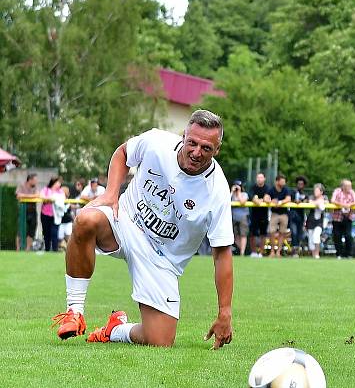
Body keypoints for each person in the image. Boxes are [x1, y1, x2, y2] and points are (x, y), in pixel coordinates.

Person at [49, 109, 234, 349]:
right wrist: (111, 193)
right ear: (184, 136)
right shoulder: (157, 142)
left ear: (216, 150)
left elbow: (222, 253)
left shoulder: (217, 190)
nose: (197, 152)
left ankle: (115, 329)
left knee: (160, 341)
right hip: (124, 220)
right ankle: (74, 311)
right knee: (86, 219)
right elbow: (123, 153)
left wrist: (225, 313)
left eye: (206, 148)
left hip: (162, 260)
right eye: (192, 143)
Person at [331, 178, 355, 259]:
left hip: (348, 217)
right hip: (337, 217)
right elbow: (332, 200)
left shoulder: (352, 192)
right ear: (343, 186)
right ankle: (338, 254)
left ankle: (348, 254)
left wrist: (349, 205)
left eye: (350, 186)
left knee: (348, 235)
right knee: (337, 235)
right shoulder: (337, 191)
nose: (349, 187)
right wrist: (342, 204)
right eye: (347, 186)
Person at [266, 173, 291, 257]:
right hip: (274, 213)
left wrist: (280, 202)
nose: (284, 183)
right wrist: (271, 201)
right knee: (272, 232)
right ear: (277, 181)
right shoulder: (271, 189)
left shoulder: (286, 189)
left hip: (284, 214)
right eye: (282, 181)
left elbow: (288, 199)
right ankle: (272, 251)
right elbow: (266, 198)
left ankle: (278, 252)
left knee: (282, 233)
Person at [40, 176, 65, 252]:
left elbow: (62, 199)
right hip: (45, 214)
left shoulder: (60, 191)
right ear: (54, 182)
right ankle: (47, 249)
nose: (59, 184)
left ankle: (55, 250)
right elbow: (42, 196)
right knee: (46, 233)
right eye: (58, 182)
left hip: (56, 216)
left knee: (54, 233)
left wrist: (52, 199)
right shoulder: (46, 189)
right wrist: (51, 199)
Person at [15, 173, 39, 251]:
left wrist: (25, 196)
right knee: (20, 230)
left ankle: (27, 249)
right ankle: (18, 249)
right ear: (30, 180)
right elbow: (18, 195)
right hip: (23, 211)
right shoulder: (21, 185)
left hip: (33, 211)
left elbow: (37, 195)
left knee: (31, 230)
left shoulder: (35, 187)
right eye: (35, 180)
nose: (36, 182)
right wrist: (31, 196)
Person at [249, 173, 269, 257]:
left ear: (264, 179)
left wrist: (260, 200)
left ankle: (261, 253)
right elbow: (253, 198)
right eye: (258, 177)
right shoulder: (252, 188)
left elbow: (267, 199)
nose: (259, 179)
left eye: (261, 177)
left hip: (264, 214)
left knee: (263, 234)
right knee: (253, 234)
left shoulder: (267, 188)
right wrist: (259, 200)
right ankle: (253, 252)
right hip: (254, 214)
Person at [306, 184, 327, 259]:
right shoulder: (311, 197)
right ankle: (313, 254)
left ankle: (317, 253)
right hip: (311, 220)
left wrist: (319, 202)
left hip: (319, 221)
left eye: (317, 190)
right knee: (311, 238)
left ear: (321, 192)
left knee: (316, 235)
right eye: (315, 190)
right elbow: (310, 202)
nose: (315, 192)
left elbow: (323, 207)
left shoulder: (324, 198)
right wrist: (317, 202)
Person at [231, 180, 249, 256]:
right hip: (233, 216)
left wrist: (238, 193)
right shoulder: (231, 195)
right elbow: (225, 201)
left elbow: (242, 202)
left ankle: (242, 252)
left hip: (243, 216)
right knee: (234, 235)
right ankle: (240, 248)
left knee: (243, 234)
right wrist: (232, 192)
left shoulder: (244, 194)